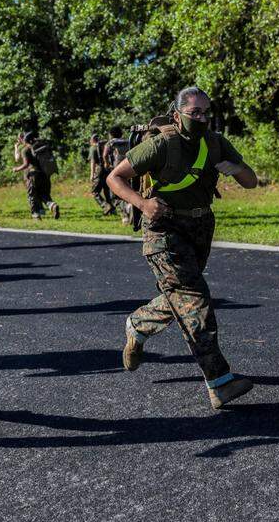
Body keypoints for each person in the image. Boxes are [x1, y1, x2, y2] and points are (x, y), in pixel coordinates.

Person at [106, 86, 259, 409]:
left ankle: (139, 324)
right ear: (177, 115)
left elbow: (251, 180)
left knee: (183, 295)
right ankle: (219, 381)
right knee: (195, 299)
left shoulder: (215, 143)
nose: (201, 118)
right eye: (194, 113)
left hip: (200, 228)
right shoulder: (161, 145)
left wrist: (237, 170)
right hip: (164, 230)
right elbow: (114, 179)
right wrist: (143, 204)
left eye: (206, 112)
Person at [12, 132, 59, 219]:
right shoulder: (42, 147)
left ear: (26, 140)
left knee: (32, 195)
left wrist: (16, 169)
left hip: (33, 175)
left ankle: (36, 215)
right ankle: (52, 205)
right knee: (44, 194)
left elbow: (26, 165)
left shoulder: (25, 150)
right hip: (45, 175)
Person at [103, 126, 131, 223]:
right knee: (128, 190)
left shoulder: (111, 143)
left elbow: (105, 155)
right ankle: (129, 207)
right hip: (129, 169)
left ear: (111, 134)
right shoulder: (128, 141)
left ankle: (125, 214)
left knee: (115, 195)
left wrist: (107, 164)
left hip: (116, 170)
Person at [87, 134, 114, 215]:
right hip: (107, 170)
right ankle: (112, 209)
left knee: (94, 192)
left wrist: (92, 174)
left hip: (99, 171)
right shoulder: (104, 146)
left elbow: (93, 162)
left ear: (92, 140)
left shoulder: (93, 148)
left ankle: (105, 206)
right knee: (106, 190)